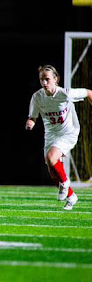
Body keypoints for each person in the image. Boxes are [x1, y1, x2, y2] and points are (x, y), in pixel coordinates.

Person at [25, 65, 92, 210]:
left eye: (47, 79)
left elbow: (88, 92)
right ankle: (71, 197)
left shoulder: (65, 93)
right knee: (54, 175)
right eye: (42, 79)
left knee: (51, 157)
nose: (44, 83)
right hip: (50, 135)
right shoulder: (37, 97)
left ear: (56, 79)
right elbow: (33, 117)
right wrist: (30, 122)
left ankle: (66, 182)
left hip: (68, 133)